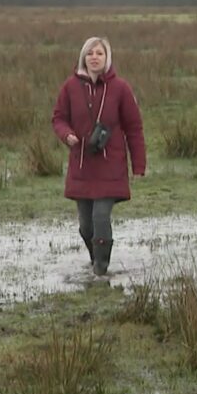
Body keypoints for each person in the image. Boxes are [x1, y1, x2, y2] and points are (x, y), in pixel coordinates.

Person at [52, 37, 146, 276]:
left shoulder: (121, 88)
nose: (94, 57)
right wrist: (67, 135)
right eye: (90, 53)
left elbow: (134, 127)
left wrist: (139, 166)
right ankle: (96, 259)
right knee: (86, 226)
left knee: (101, 216)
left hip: (110, 166)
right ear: (84, 57)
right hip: (81, 166)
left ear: (107, 58)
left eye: (99, 53)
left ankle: (101, 270)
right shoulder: (70, 87)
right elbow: (59, 119)